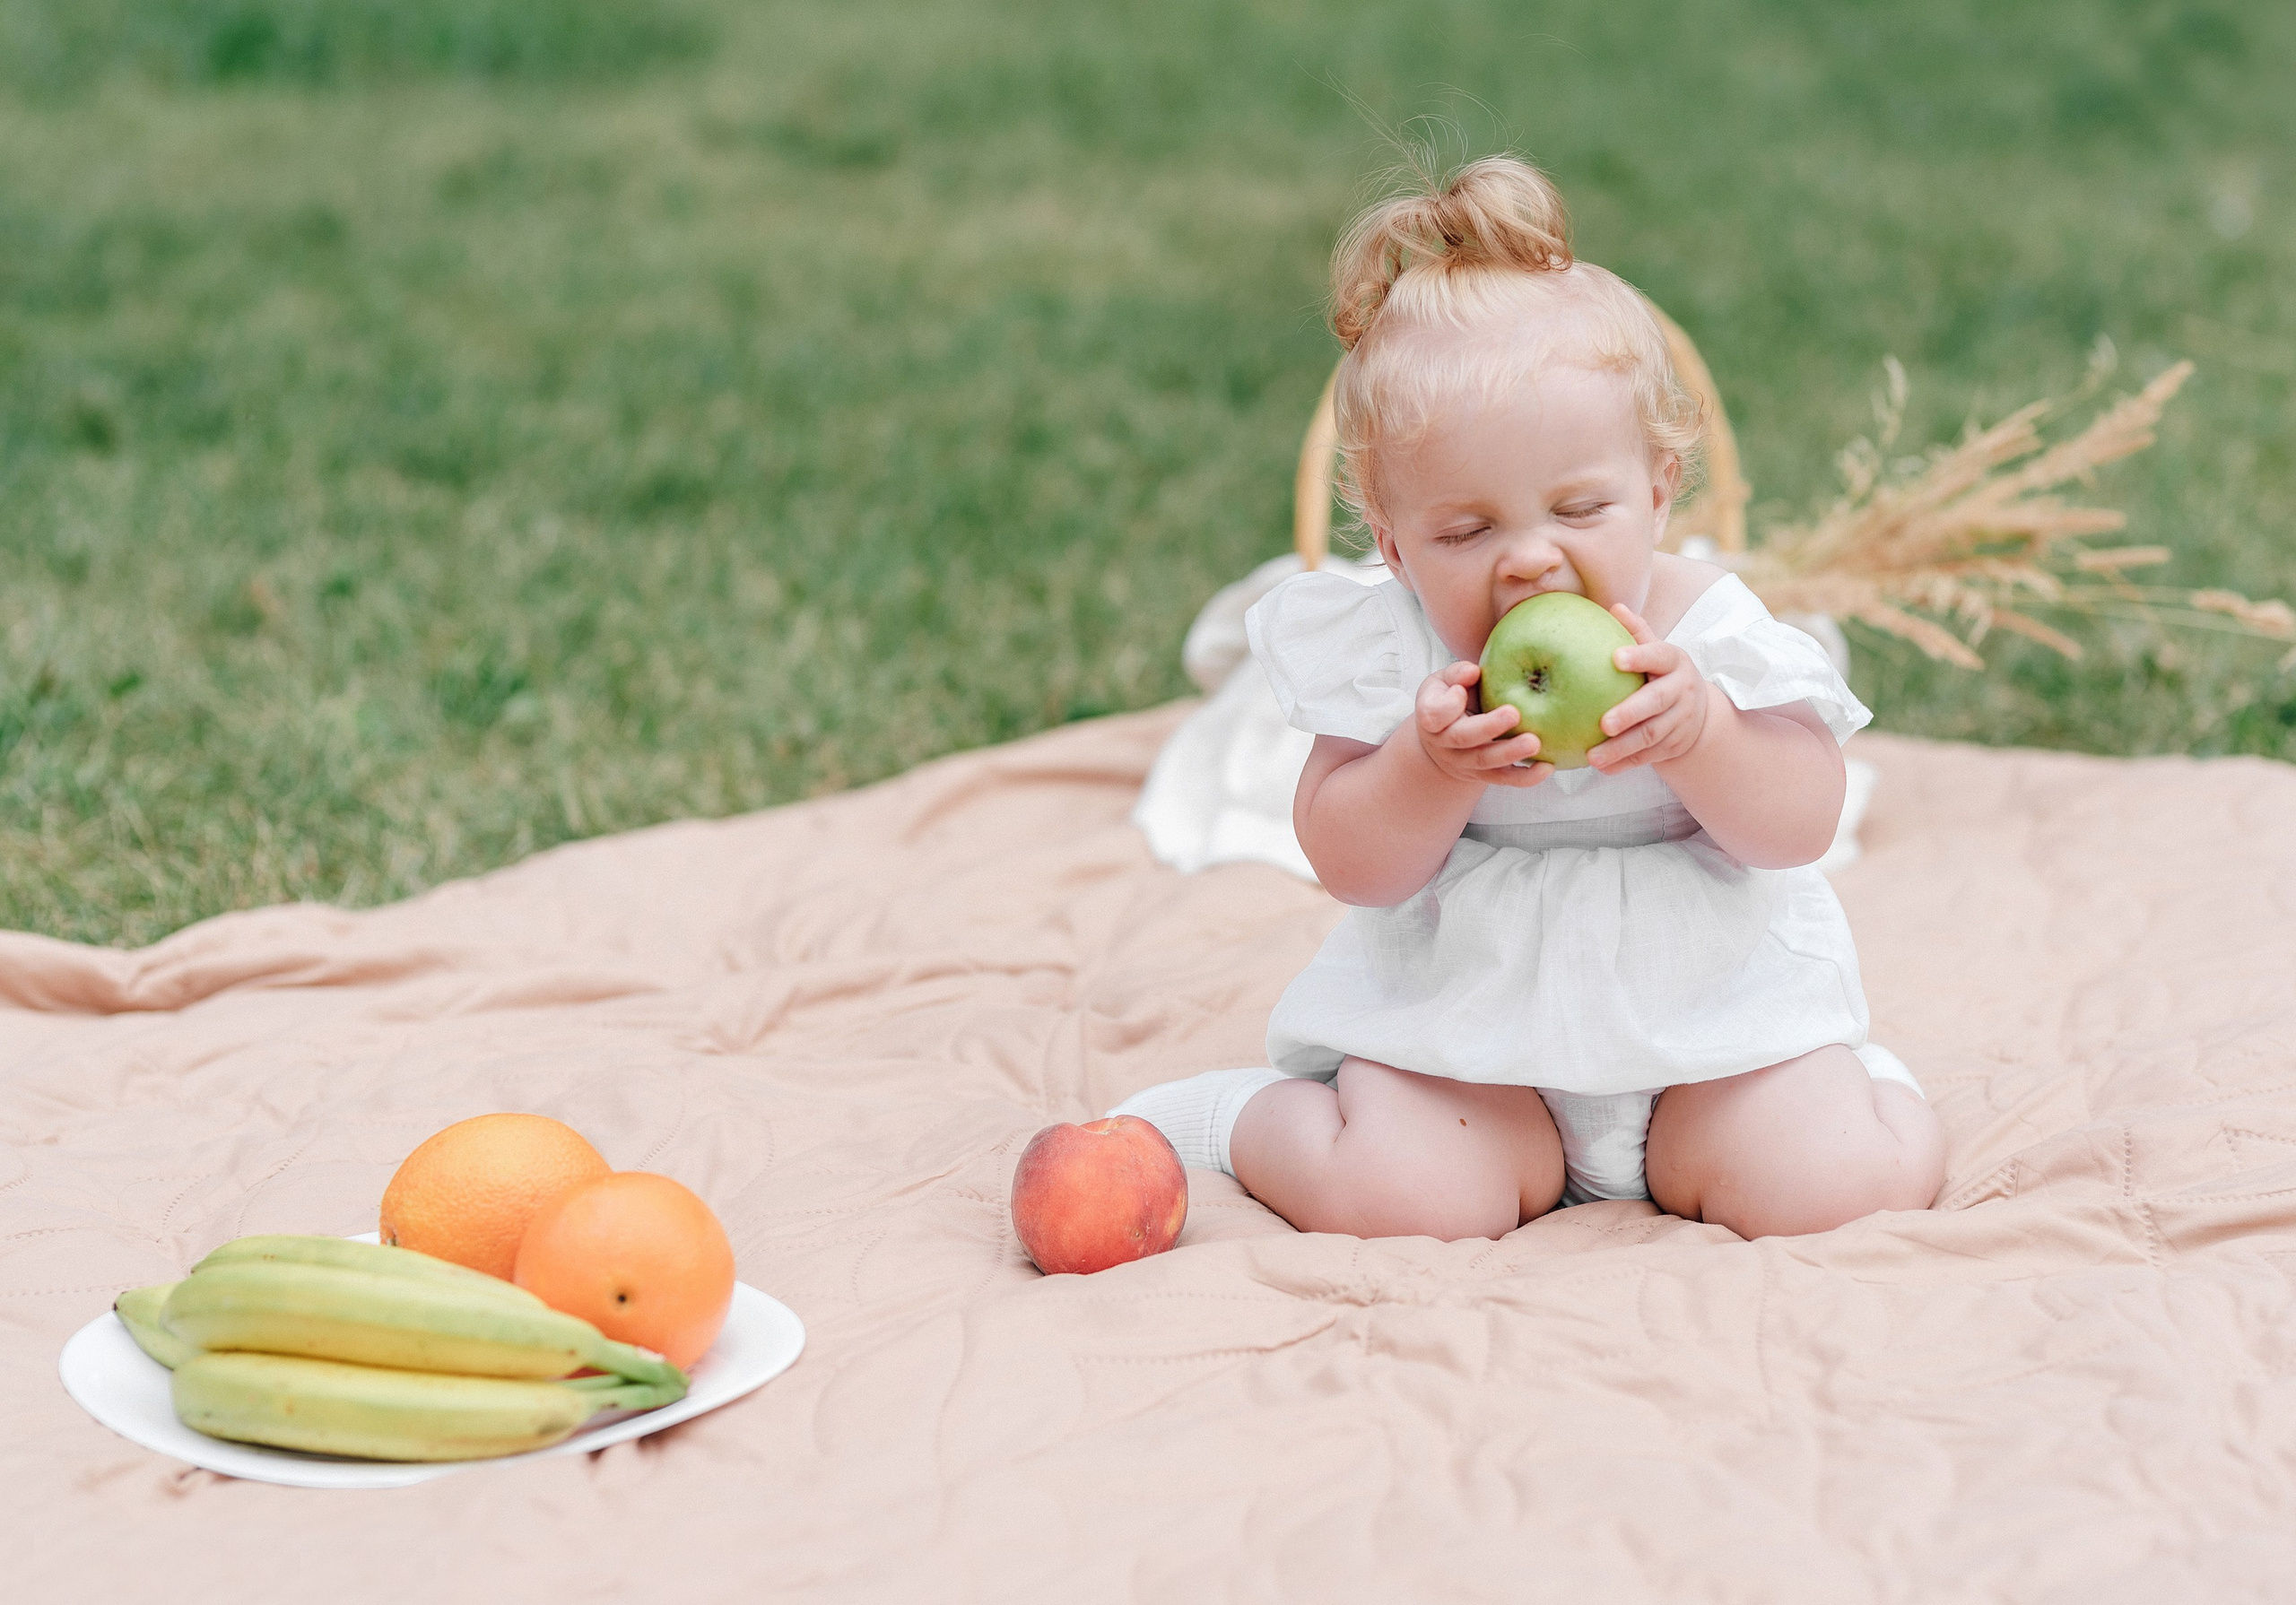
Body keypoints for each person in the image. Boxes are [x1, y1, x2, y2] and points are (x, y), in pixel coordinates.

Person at [1112, 155, 1945, 1242]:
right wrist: (1425, 770)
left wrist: (1705, 739)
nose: (1528, 563)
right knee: (1401, 1200)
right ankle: (1243, 1121)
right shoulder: (1388, 648)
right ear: (1392, 532)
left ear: (1657, 484)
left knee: (1837, 1184)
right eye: (1466, 530)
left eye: (1579, 507)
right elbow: (1349, 862)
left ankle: (1859, 1086)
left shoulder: (1708, 628)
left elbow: (1799, 824)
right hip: (1465, 1045)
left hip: (1708, 1030)